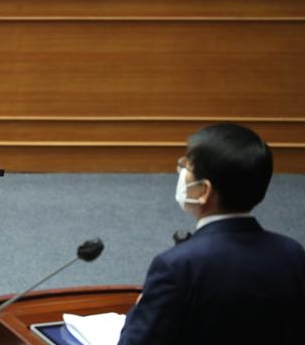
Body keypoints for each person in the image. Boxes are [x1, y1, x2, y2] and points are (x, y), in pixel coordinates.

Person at [117, 123, 305, 345]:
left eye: (187, 167)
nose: (181, 173)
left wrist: (140, 308)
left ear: (204, 191)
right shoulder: (293, 253)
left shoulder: (176, 265)